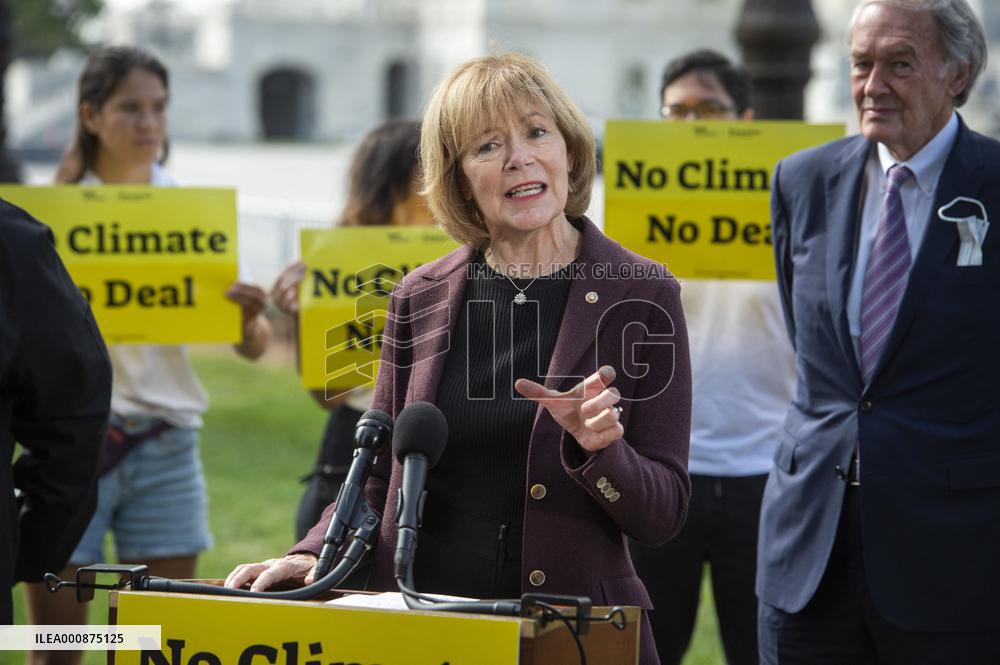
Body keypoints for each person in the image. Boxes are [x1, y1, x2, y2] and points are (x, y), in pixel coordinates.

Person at [226, 53, 692, 665]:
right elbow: (378, 472)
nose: (519, 158)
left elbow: (662, 515)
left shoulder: (643, 292)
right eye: (487, 146)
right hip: (423, 628)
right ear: (459, 179)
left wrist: (602, 452)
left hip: (571, 632)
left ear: (570, 150)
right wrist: (313, 552)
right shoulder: (417, 294)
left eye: (537, 132)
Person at [758, 1, 1000, 662]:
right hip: (808, 554)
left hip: (953, 560)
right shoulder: (802, 180)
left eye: (900, 64)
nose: (873, 85)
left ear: (958, 74)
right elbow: (818, 352)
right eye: (861, 64)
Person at [25, 46, 270, 661]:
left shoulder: (195, 213)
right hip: (68, 450)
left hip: (167, 444)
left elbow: (253, 347)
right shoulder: (44, 221)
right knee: (57, 648)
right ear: (90, 115)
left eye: (159, 107)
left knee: (154, 647)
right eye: (130, 108)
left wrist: (248, 318)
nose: (149, 123)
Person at [630, 50, 793, 665]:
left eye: (710, 109)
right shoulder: (633, 214)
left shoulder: (790, 209)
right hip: (660, 470)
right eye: (676, 112)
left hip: (765, 468)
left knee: (762, 648)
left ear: (745, 118)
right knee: (650, 647)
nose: (692, 124)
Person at [268, 118, 432, 540]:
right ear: (389, 184)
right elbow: (329, 393)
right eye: (430, 170)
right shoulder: (335, 266)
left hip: (438, 444)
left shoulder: (471, 257)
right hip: (357, 442)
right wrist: (307, 315)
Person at [0, 201, 111, 625]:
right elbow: (73, 412)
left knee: (144, 639)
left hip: (167, 441)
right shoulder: (12, 239)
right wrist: (28, 552)